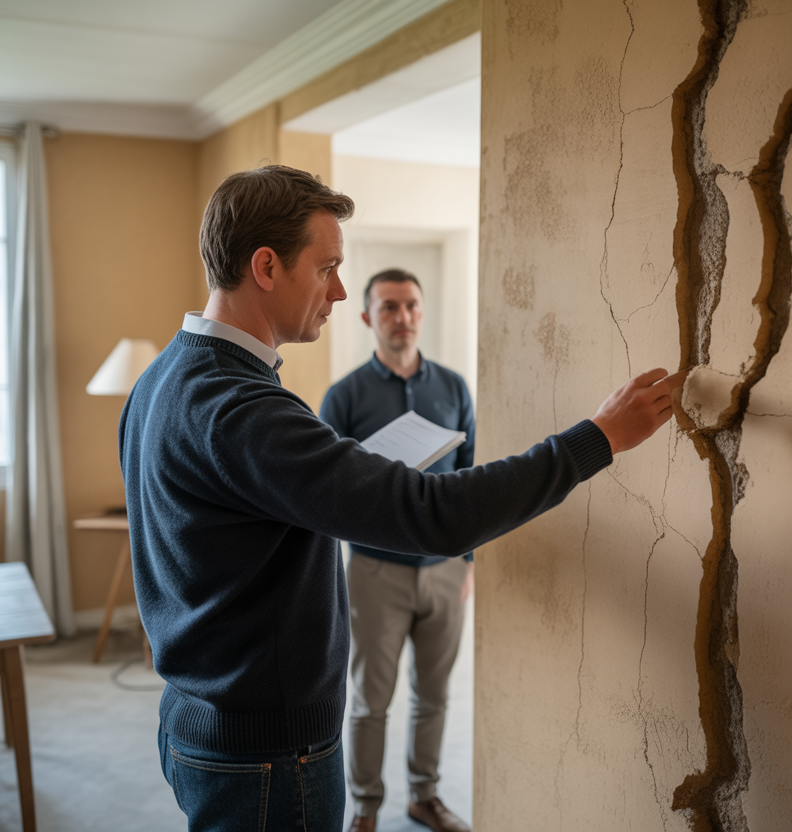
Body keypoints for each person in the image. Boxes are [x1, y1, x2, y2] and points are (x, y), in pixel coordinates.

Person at [119, 164, 676, 832]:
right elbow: (434, 514)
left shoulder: (162, 377)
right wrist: (598, 438)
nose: (339, 290)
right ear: (266, 266)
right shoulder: (242, 409)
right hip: (266, 753)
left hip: (201, 721)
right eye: (327, 268)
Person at [319, 269, 475, 832]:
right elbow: (322, 490)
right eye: (388, 307)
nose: (402, 317)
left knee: (434, 695)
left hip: (445, 570)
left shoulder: (454, 387)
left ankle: (423, 796)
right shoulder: (344, 396)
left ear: (422, 313)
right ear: (367, 317)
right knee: (370, 700)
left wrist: (468, 562)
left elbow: (470, 475)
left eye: (410, 305)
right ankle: (365, 807)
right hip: (375, 570)